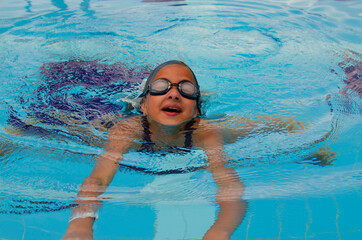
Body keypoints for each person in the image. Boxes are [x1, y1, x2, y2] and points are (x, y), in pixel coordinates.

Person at [61, 60, 249, 240]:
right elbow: (98, 179)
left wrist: (220, 232)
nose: (174, 94)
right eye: (161, 86)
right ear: (143, 105)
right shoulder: (128, 129)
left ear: (197, 110)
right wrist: (79, 226)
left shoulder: (205, 133)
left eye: (186, 89)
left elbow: (229, 185)